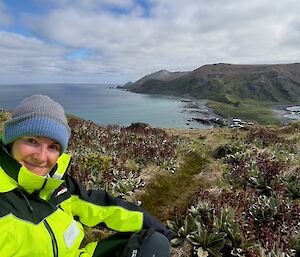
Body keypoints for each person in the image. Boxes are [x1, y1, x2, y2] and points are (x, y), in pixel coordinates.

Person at [0, 95, 172, 257]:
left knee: (153, 243)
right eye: (32, 141)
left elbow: (101, 208)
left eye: (53, 147)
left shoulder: (55, 184)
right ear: (11, 140)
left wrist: (154, 225)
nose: (42, 157)